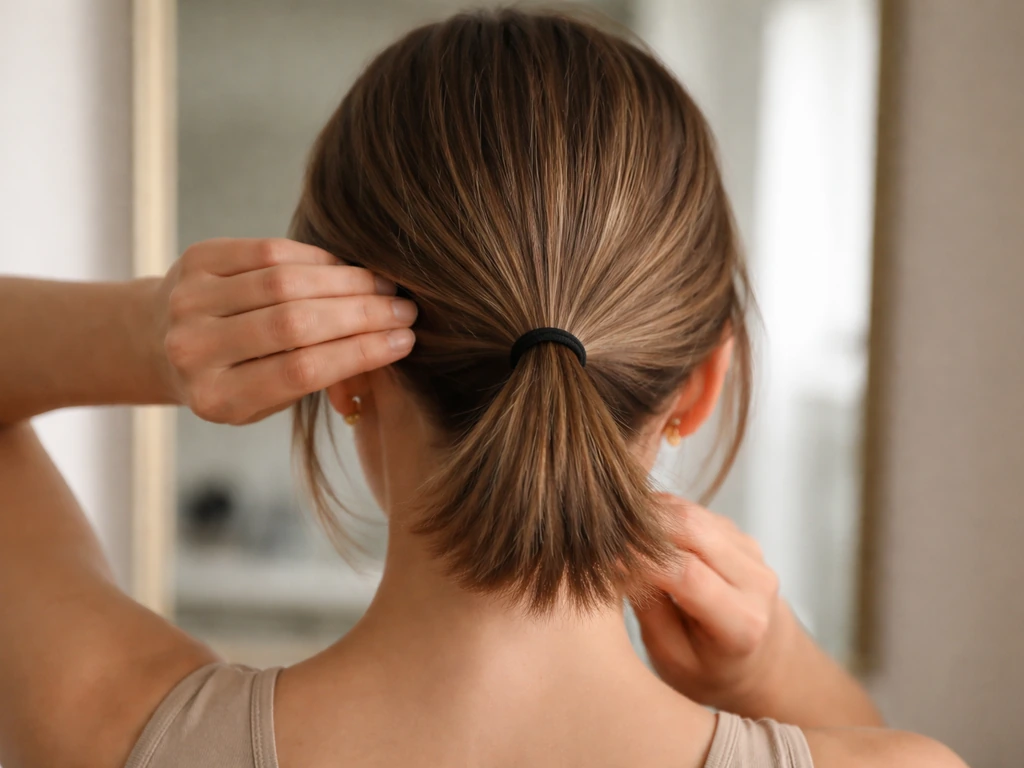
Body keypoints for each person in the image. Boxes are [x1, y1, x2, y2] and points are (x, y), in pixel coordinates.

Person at [0, 8, 965, 768]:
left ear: (342, 369)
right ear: (702, 383)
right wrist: (779, 672)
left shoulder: (119, 735)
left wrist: (143, 333)